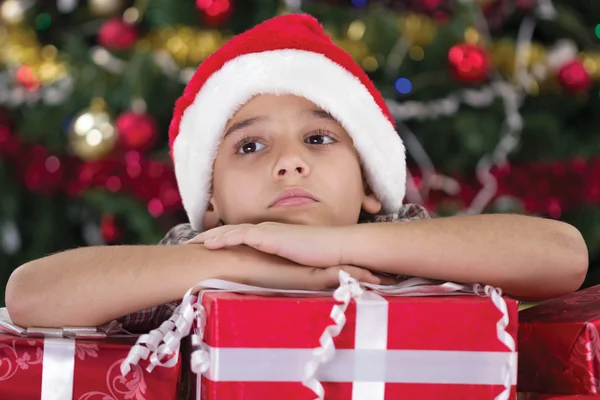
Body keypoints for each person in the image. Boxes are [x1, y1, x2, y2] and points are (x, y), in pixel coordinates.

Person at [4, 14, 588, 332]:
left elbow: (563, 255)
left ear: (367, 187)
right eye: (250, 145)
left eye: (318, 138)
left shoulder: (405, 245)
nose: (290, 161)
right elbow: (30, 297)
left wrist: (328, 245)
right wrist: (253, 261)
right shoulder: (187, 263)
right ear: (210, 203)